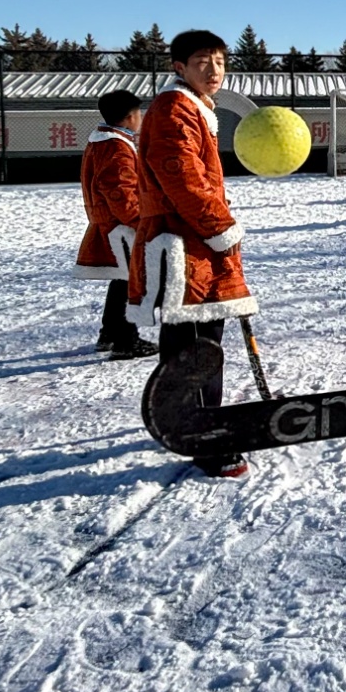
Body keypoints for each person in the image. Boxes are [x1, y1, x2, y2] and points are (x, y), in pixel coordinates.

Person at [127, 29, 257, 478]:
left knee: (192, 340)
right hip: (185, 244)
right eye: (203, 60)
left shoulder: (193, 108)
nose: (214, 69)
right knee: (197, 345)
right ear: (178, 67)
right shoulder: (174, 109)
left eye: (220, 61)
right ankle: (203, 435)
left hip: (194, 241)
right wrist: (220, 227)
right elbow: (182, 177)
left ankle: (182, 421)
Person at [74, 89, 155, 359]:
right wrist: (139, 220)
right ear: (131, 117)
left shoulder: (102, 142)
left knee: (123, 279)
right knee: (132, 281)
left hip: (111, 224)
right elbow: (119, 190)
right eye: (139, 113)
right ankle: (126, 340)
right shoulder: (116, 147)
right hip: (122, 227)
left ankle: (110, 333)